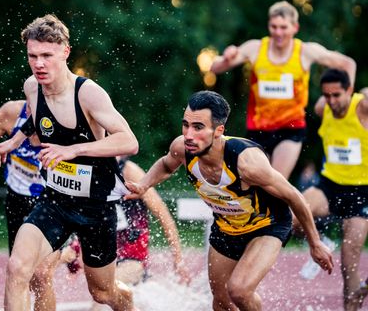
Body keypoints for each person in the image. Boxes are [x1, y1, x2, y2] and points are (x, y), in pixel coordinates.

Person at [126, 90, 333, 311]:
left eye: (198, 127)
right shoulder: (182, 149)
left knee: (239, 291)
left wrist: (315, 243)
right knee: (221, 302)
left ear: (219, 131)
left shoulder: (247, 162)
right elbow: (166, 165)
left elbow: (294, 196)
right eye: (185, 125)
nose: (188, 135)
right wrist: (144, 184)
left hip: (266, 226)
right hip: (227, 227)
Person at [0, 14, 139, 311]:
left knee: (103, 293)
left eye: (47, 55)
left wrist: (72, 150)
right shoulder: (32, 87)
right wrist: (15, 140)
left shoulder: (88, 93)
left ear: (65, 52)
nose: (39, 64)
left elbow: (128, 141)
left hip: (96, 204)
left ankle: (127, 301)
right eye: (33, 56)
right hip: (55, 200)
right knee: (17, 268)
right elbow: (35, 118)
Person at [210, 1, 356, 180]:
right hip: (258, 129)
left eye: (283, 27)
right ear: (268, 25)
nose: (278, 32)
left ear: (295, 27)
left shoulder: (306, 51)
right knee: (252, 181)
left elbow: (348, 64)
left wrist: (347, 99)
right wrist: (226, 57)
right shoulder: (255, 48)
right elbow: (214, 68)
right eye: (274, 27)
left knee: (274, 180)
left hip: (291, 128)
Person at [63, 157, 191, 311]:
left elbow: (163, 215)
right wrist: (77, 249)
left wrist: (178, 259)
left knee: (104, 289)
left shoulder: (128, 170)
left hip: (132, 257)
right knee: (48, 261)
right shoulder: (88, 168)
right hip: (103, 246)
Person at [0, 99, 59, 311]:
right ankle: (68, 253)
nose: (33, 110)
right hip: (17, 199)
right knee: (20, 273)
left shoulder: (64, 119)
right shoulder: (12, 112)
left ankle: (67, 251)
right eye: (31, 104)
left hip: (52, 200)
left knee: (41, 274)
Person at [293, 69, 368, 311]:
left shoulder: (363, 109)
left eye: (337, 95)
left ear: (349, 90)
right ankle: (319, 241)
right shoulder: (322, 108)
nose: (332, 101)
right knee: (289, 215)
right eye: (327, 95)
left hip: (362, 192)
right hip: (329, 185)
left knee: (350, 262)